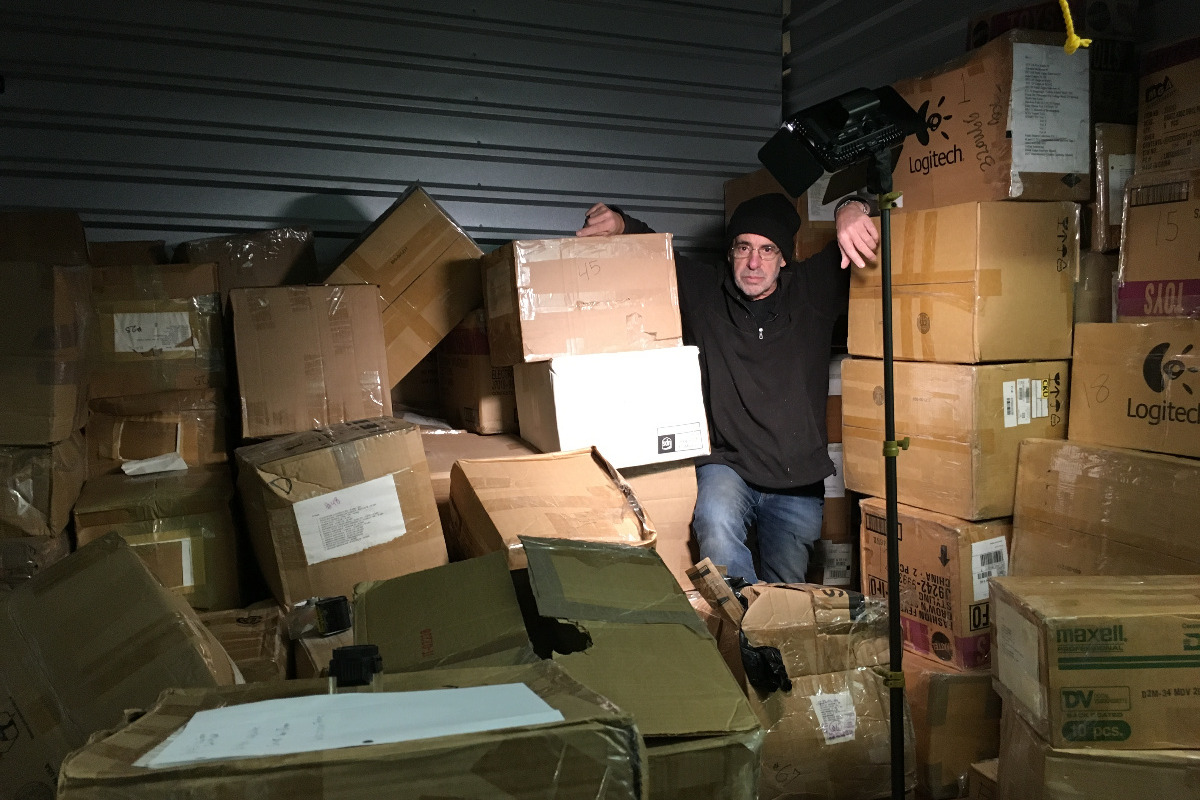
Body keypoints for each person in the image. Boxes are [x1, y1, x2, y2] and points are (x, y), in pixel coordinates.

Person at [576, 193, 878, 583]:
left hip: (797, 477)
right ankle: (739, 619)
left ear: (784, 258)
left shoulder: (811, 291)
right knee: (715, 524)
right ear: (731, 251)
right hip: (728, 467)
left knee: (787, 596)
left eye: (767, 250)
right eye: (744, 247)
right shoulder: (706, 291)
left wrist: (852, 207)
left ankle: (765, 620)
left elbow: (878, 218)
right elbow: (656, 252)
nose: (754, 263)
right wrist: (620, 222)